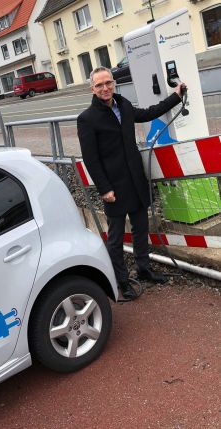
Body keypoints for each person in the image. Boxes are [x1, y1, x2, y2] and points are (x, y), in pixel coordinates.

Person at [77, 66, 186, 300]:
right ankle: (121, 281)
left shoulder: (123, 104)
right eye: (99, 85)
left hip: (135, 180)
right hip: (113, 187)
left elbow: (148, 113)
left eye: (108, 83)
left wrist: (176, 96)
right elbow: (91, 159)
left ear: (114, 83)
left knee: (141, 228)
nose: (105, 88)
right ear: (92, 89)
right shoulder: (87, 119)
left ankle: (144, 269)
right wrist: (104, 188)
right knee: (116, 238)